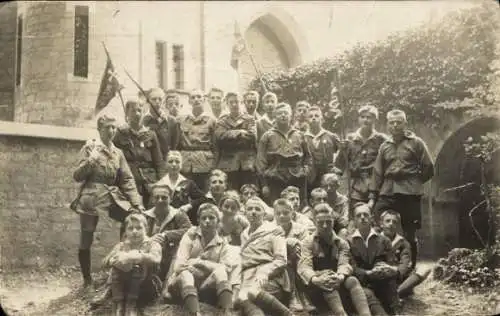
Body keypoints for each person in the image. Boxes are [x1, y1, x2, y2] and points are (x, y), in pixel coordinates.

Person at [73, 115, 144, 289]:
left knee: (130, 219)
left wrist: (136, 203)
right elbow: (77, 176)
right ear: (100, 129)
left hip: (112, 195)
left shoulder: (117, 152)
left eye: (114, 128)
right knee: (86, 237)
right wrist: (92, 159)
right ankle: (87, 280)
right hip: (91, 196)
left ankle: (122, 270)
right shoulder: (90, 147)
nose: (111, 131)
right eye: (107, 128)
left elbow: (127, 179)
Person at [370, 109, 434, 270]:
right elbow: (377, 172)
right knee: (378, 226)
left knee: (409, 232)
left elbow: (428, 167)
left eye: (399, 122)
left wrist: (413, 179)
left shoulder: (417, 143)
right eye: (392, 122)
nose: (395, 125)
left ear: (405, 123)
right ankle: (380, 264)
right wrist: (373, 194)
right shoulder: (385, 146)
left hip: (409, 193)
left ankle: (409, 269)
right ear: (387, 125)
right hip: (388, 191)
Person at [298, 203, 371, 316]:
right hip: (317, 285)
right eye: (320, 222)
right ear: (314, 222)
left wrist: (340, 276)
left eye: (329, 222)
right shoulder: (308, 242)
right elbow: (305, 266)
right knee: (327, 279)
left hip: (337, 280)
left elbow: (344, 263)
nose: (325, 226)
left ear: (333, 221)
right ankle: (340, 313)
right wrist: (316, 279)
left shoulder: (341, 243)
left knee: (352, 280)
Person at [166, 203, 238, 316]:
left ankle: (228, 311)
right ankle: (195, 313)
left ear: (218, 221)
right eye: (204, 218)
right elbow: (179, 266)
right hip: (182, 283)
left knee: (221, 272)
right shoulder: (190, 235)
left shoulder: (222, 242)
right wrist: (211, 267)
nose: (207, 221)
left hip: (204, 286)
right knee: (186, 274)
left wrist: (199, 262)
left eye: (211, 218)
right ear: (199, 220)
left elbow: (226, 268)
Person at [238, 197, 293, 316]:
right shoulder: (244, 234)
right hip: (248, 277)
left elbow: (281, 260)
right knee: (242, 298)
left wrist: (264, 272)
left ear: (264, 213)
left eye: (257, 209)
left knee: (251, 294)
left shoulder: (274, 230)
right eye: (250, 209)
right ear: (245, 212)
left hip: (271, 277)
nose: (253, 212)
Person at [103, 213, 162, 316]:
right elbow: (104, 261)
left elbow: (156, 258)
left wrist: (138, 256)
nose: (135, 231)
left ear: (146, 229)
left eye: (139, 228)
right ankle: (119, 304)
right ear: (125, 231)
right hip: (124, 287)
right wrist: (112, 260)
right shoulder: (122, 245)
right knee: (117, 266)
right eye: (130, 228)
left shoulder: (152, 244)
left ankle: (131, 305)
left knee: (136, 265)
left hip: (145, 286)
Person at [348, 203, 399, 316]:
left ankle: (395, 311)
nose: (362, 217)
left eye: (365, 214)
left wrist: (387, 268)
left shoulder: (384, 240)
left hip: (382, 281)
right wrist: (368, 273)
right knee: (368, 295)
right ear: (354, 220)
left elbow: (392, 263)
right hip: (363, 283)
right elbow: (351, 267)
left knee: (390, 281)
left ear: (371, 218)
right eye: (358, 215)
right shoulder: (348, 241)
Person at [256, 102, 312, 204]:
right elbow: (260, 161)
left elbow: (308, 157)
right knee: (277, 208)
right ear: (274, 116)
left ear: (291, 116)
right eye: (280, 113)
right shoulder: (267, 136)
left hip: (297, 178)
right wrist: (264, 184)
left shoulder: (299, 135)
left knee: (299, 207)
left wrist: (305, 171)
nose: (283, 115)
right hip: (275, 179)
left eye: (286, 113)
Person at [334, 105, 389, 209]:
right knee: (357, 214)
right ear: (358, 119)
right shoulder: (349, 139)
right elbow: (339, 166)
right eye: (363, 117)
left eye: (369, 117)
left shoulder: (382, 140)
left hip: (377, 185)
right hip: (356, 187)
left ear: (375, 120)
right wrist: (342, 150)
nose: (366, 120)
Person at [113, 100, 165, 209]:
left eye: (139, 111)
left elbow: (159, 162)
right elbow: (114, 160)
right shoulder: (120, 134)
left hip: (150, 181)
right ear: (126, 113)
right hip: (130, 182)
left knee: (152, 213)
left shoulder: (150, 134)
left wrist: (161, 183)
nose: (136, 114)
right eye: (133, 111)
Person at [144, 184, 192, 283]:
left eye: (164, 197)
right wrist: (150, 240)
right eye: (157, 197)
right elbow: (133, 235)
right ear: (152, 200)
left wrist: (167, 235)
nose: (160, 200)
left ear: (170, 199)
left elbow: (189, 230)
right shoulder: (145, 216)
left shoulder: (178, 215)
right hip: (149, 256)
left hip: (171, 256)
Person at [379, 210, 431, 299]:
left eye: (394, 222)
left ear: (397, 226)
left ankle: (397, 293)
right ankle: (398, 293)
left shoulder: (403, 242)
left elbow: (405, 263)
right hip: (380, 275)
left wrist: (396, 271)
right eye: (387, 221)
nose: (391, 224)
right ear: (381, 224)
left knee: (424, 269)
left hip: (397, 275)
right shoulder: (375, 239)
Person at [214, 92, 258, 190]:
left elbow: (252, 136)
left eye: (236, 102)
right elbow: (220, 137)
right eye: (231, 102)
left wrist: (230, 137)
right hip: (228, 163)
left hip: (247, 163)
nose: (234, 104)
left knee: (248, 190)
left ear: (241, 103)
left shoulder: (249, 119)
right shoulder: (222, 121)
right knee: (230, 192)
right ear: (227, 104)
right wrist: (240, 132)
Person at [273, 198, 309, 312]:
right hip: (277, 265)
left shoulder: (301, 228)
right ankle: (295, 296)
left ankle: (302, 295)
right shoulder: (269, 228)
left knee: (295, 248)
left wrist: (296, 242)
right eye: (278, 213)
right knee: (286, 257)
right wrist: (286, 242)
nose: (282, 216)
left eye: (285, 213)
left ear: (292, 214)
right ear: (274, 214)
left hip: (298, 263)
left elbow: (307, 248)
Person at [178, 89, 217, 191]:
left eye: (199, 97)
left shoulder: (211, 120)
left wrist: (213, 165)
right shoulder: (181, 120)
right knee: (184, 192)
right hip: (186, 162)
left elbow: (216, 146)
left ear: (204, 100)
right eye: (193, 97)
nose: (196, 100)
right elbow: (177, 143)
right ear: (189, 101)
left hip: (204, 163)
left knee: (203, 192)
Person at [155, 151, 208, 224]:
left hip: (182, 220)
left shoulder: (188, 183)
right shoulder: (159, 184)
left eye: (177, 162)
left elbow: (203, 198)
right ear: (166, 164)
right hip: (164, 221)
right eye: (170, 162)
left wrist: (189, 205)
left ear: (181, 165)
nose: (174, 164)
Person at [304, 106, 340, 195]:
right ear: (307, 120)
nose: (313, 118)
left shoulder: (331, 136)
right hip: (309, 179)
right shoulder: (302, 137)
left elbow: (341, 154)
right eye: (310, 116)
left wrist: (336, 167)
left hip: (327, 177)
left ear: (322, 118)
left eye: (316, 116)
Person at [143, 87, 181, 161]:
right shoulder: (143, 121)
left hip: (166, 161)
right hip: (149, 162)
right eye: (154, 99)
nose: (157, 102)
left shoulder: (172, 121)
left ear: (163, 101)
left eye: (160, 99)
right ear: (148, 101)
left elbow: (175, 146)